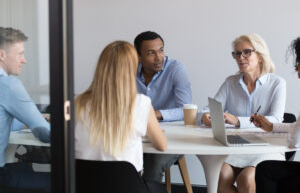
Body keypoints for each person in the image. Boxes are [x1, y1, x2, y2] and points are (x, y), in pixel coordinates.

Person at [75, 41, 168, 193]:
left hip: (83, 186)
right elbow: (162, 145)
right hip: (128, 188)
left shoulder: (76, 103)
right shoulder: (141, 103)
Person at [198, 34, 286, 193]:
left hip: (266, 148)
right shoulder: (230, 82)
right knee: (221, 175)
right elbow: (208, 109)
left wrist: (238, 120)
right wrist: (206, 116)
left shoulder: (277, 83)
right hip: (236, 146)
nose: (240, 57)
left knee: (246, 178)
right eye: (237, 53)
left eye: (246, 52)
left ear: (260, 56)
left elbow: (276, 120)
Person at [134, 31, 192, 183]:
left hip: (170, 138)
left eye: (161, 50)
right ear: (138, 56)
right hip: (138, 135)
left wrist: (154, 114)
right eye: (150, 53)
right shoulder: (129, 71)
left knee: (154, 163)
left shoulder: (175, 69)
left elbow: (185, 110)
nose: (159, 57)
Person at [0, 27, 50, 192]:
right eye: (20, 54)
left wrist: (25, 121)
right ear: (2, 55)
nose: (24, 60)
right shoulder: (9, 85)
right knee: (67, 179)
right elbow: (44, 134)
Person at [253, 37, 300, 193]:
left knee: (265, 171)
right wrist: (271, 126)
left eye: (297, 64)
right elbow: (296, 128)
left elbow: (295, 140)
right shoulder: (230, 82)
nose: (296, 71)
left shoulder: (277, 83)